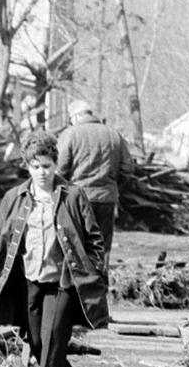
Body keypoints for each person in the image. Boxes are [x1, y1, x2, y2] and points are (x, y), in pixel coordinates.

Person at [0, 130, 109, 367]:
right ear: (27, 166)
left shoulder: (73, 196)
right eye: (35, 166)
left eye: (46, 166)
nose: (41, 172)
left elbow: (94, 238)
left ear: (56, 164)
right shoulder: (14, 197)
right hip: (29, 277)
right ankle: (56, 366)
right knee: (38, 339)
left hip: (64, 279)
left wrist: (94, 270)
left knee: (54, 333)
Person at [56, 99, 133, 274]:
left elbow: (60, 168)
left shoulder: (70, 134)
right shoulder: (114, 134)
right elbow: (128, 167)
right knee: (102, 243)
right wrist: (113, 186)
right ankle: (100, 279)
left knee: (78, 240)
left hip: (77, 197)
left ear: (76, 116)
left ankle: (79, 281)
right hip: (107, 197)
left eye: (71, 117)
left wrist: (64, 189)